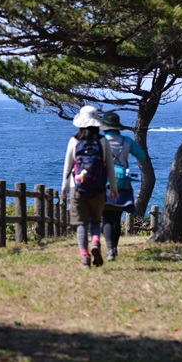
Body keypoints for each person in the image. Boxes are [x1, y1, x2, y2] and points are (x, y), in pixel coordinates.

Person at [62, 106, 118, 268]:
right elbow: (109, 167)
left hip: (77, 188)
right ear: (96, 123)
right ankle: (95, 242)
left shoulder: (74, 141)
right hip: (98, 188)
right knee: (95, 221)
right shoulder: (102, 141)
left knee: (81, 224)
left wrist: (64, 187)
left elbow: (67, 167)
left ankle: (84, 257)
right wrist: (113, 187)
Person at [101, 112, 146, 261]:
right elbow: (141, 155)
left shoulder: (100, 141)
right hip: (122, 185)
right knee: (115, 217)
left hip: (104, 184)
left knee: (106, 217)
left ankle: (109, 249)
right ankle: (114, 248)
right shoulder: (126, 141)